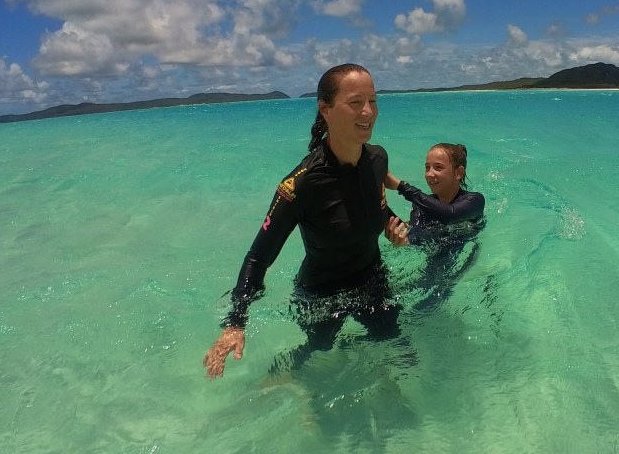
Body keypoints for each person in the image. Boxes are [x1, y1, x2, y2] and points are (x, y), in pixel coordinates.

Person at [203, 63, 409, 379]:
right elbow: (257, 258)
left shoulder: (378, 158)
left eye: (373, 100)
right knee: (318, 353)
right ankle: (280, 378)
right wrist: (235, 322)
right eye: (355, 102)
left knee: (397, 348)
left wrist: (393, 226)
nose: (368, 111)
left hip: (372, 280)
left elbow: (373, 205)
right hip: (321, 295)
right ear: (325, 109)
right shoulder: (301, 184)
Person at [384, 143, 485, 307]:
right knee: (389, 292)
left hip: (464, 253)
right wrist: (403, 240)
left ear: (458, 173)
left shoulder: (474, 201)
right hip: (435, 253)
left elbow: (449, 215)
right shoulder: (421, 205)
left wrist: (401, 186)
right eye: (427, 167)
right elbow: (416, 234)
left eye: (438, 167)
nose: (430, 174)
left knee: (428, 304)